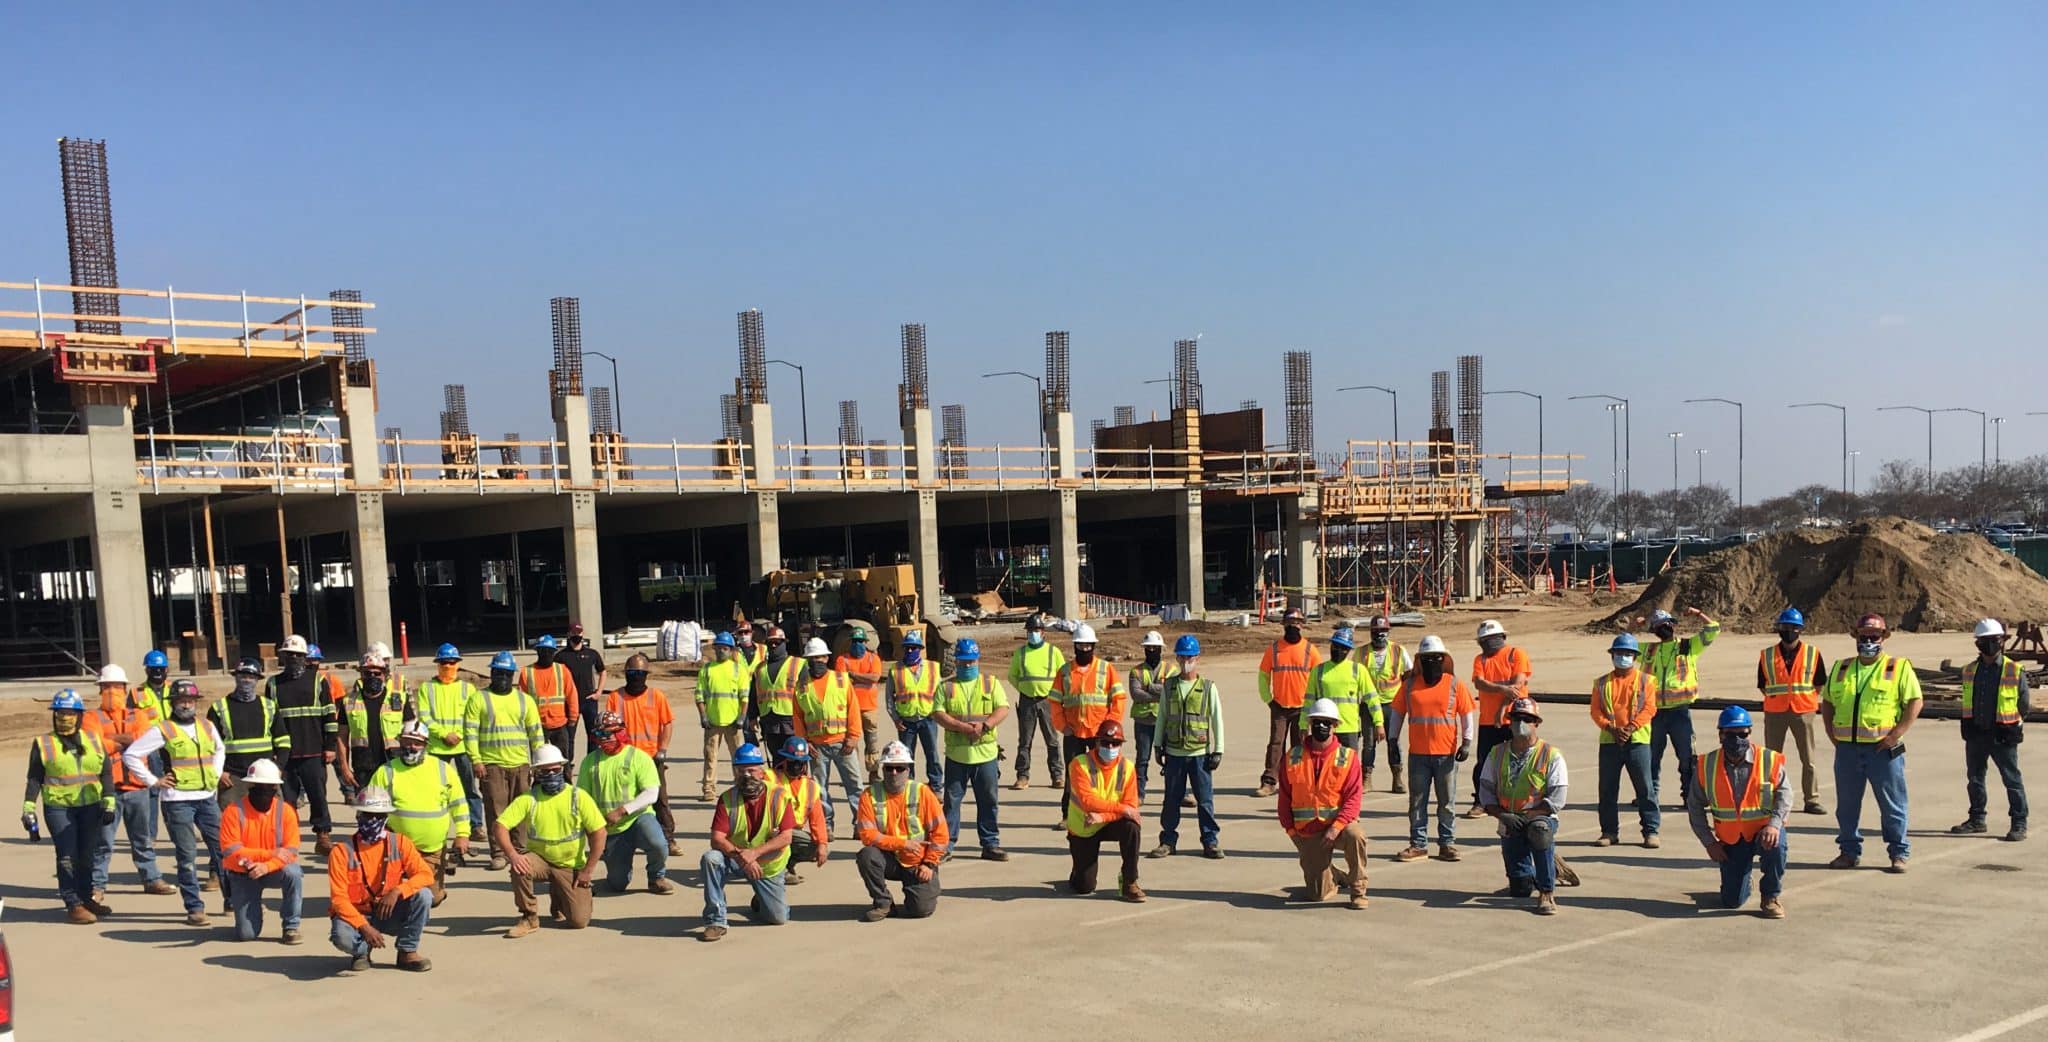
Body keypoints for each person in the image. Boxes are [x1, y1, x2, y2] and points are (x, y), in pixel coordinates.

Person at [1823, 613, 1922, 873]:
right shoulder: (1841, 668)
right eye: (1863, 636)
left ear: (1883, 638)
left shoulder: (1898, 668)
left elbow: (1915, 701)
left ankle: (1898, 853)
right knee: (1846, 806)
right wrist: (1833, 735)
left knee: (1892, 804)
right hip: (1847, 750)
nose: (1868, 640)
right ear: (1855, 637)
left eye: (1874, 636)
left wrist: (1895, 735)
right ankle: (1848, 851)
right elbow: (1828, 703)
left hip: (1882, 750)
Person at [125, 680, 225, 926]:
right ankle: (194, 907)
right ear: (173, 703)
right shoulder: (164, 729)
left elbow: (220, 749)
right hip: (178, 800)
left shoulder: (206, 725)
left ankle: (233, 899)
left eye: (190, 701)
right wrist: (153, 781)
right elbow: (131, 754)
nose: (186, 705)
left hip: (206, 798)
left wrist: (214, 775)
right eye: (181, 701)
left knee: (224, 850)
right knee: (187, 855)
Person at [494, 744, 606, 937]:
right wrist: (513, 855)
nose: (552, 774)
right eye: (546, 771)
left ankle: (560, 896)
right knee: (520, 868)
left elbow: (599, 833)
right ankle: (529, 917)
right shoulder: (529, 799)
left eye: (556, 770)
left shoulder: (578, 797)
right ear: (537, 773)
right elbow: (500, 826)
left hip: (570, 865)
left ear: (563, 769)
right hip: (541, 859)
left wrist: (588, 870)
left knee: (579, 921)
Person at [1687, 706, 1788, 918]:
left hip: (1763, 833)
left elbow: (1785, 795)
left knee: (1776, 845)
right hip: (1732, 840)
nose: (1738, 740)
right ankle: (1742, 881)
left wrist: (1774, 824)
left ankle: (1770, 896)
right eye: (1731, 735)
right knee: (1731, 901)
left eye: (1743, 734)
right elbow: (1695, 806)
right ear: (1721, 735)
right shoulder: (1707, 765)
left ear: (1750, 732)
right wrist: (1709, 843)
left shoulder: (1768, 759)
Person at [23, 689, 114, 923]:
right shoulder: (44, 743)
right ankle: (72, 902)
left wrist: (110, 800)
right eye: (60, 712)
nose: (65, 717)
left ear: (80, 715)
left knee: (87, 855)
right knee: (67, 855)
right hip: (59, 808)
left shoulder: (93, 739)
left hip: (91, 806)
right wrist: (28, 808)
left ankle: (85, 897)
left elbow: (105, 770)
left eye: (70, 713)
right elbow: (34, 777)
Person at [83, 665, 175, 897]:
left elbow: (144, 740)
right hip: (107, 790)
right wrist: (126, 741)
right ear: (100, 690)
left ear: (125, 689)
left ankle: (152, 879)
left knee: (142, 839)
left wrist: (112, 740)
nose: (112, 691)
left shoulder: (139, 715)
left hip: (137, 787)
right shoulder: (91, 717)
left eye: (116, 687)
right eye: (107, 687)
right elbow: (96, 746)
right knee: (103, 842)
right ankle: (97, 886)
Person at [1386, 636, 1476, 862]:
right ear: (1419, 661)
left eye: (1436, 658)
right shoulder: (1409, 686)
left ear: (1444, 659)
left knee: (1447, 802)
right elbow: (1398, 713)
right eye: (1427, 659)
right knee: (1417, 802)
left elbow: (1466, 714)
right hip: (1418, 754)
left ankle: (1447, 844)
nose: (1431, 662)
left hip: (1446, 755)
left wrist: (1466, 742)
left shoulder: (1454, 684)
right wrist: (1392, 740)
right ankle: (1418, 844)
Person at [327, 787, 434, 972]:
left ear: (386, 817)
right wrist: (364, 927)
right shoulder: (341, 851)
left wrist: (398, 891)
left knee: (423, 896)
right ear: (359, 815)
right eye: (368, 815)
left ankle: (407, 952)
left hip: (388, 910)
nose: (373, 821)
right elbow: (338, 899)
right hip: (357, 914)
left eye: (379, 816)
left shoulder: (400, 843)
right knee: (341, 936)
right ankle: (361, 952)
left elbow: (425, 875)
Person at [1479, 697, 1569, 915]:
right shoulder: (1497, 753)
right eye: (1517, 718)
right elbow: (1485, 792)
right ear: (1509, 721)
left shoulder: (1550, 755)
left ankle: (1547, 892)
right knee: (1520, 890)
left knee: (1539, 832)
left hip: (1539, 817)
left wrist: (1530, 816)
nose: (1521, 723)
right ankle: (1548, 867)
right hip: (1509, 820)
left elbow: (1557, 798)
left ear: (1536, 723)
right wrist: (1502, 815)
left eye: (1527, 719)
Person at [1278, 698, 1369, 910]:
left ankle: (1358, 891)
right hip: (1308, 832)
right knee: (1317, 895)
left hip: (1340, 827)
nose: (1321, 726)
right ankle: (1335, 875)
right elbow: (1284, 798)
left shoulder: (1347, 757)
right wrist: (1292, 833)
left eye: (1327, 722)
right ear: (1310, 723)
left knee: (1356, 836)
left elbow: (1353, 800)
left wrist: (1336, 828)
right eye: (1317, 721)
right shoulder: (1293, 757)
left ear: (1335, 726)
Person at [699, 743, 795, 942]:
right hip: (737, 858)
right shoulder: (727, 798)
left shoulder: (779, 796)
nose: (746, 775)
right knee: (711, 859)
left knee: (778, 918)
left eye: (751, 770)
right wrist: (744, 858)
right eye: (741, 770)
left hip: (767, 865)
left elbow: (786, 837)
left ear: (762, 772)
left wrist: (755, 854)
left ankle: (761, 899)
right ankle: (716, 920)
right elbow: (717, 839)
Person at [369, 721, 470, 906]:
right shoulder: (386, 771)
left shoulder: (443, 770)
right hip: (396, 850)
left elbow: (459, 805)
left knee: (432, 898)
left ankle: (436, 894)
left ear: (425, 745)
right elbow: (371, 811)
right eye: (407, 742)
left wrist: (463, 835)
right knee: (395, 896)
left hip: (432, 849)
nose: (411, 747)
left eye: (416, 743)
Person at [931, 638, 1011, 861]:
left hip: (985, 755)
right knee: (952, 803)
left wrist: (985, 725)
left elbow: (1003, 708)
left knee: (988, 801)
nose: (967, 666)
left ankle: (990, 844)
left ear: (978, 660)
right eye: (963, 662)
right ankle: (946, 845)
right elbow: (938, 713)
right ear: (955, 661)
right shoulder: (946, 686)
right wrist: (963, 728)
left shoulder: (990, 683)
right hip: (957, 756)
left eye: (971, 661)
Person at [578, 711, 674, 894]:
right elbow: (582, 797)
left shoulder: (639, 758)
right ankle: (616, 875)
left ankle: (656, 877)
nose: (604, 739)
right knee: (617, 884)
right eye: (599, 735)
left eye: (608, 734)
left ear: (620, 733)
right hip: (610, 828)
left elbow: (651, 793)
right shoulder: (590, 762)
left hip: (638, 819)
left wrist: (622, 810)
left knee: (658, 844)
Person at [1634, 607, 1721, 808]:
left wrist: (1698, 613)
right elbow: (1625, 645)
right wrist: (1633, 624)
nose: (1663, 628)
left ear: (1673, 625)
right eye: (1657, 626)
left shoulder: (1687, 647)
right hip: (1653, 712)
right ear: (1653, 630)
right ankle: (1649, 796)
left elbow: (1713, 628)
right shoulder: (1649, 650)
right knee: (1651, 757)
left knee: (1686, 757)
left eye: (1665, 624)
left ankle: (1690, 796)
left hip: (1679, 712)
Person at [1952, 619, 2029, 842]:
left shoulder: (2014, 670)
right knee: (1975, 778)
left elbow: (2023, 704)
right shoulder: (1969, 671)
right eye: (1984, 641)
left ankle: (2019, 822)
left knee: (2012, 780)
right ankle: (1977, 819)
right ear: (1978, 644)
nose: (1989, 645)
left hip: (2003, 734)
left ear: (2002, 642)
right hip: (1976, 733)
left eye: (1994, 641)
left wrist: (2012, 724)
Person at [1149, 635, 1225, 860]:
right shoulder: (1169, 686)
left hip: (1200, 754)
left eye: (1189, 657)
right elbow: (1162, 716)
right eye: (1181, 657)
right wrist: (1157, 745)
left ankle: (1210, 841)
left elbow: (1216, 719)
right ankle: (1167, 841)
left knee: (1205, 800)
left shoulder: (1208, 688)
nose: (1185, 661)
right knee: (1171, 800)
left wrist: (1218, 749)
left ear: (1197, 658)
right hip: (1174, 753)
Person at [468, 651, 544, 872]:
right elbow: (470, 733)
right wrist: (476, 761)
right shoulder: (479, 698)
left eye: (506, 674)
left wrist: (538, 763)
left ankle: (520, 850)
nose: (501, 677)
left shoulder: (524, 700)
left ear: (512, 675)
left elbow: (535, 734)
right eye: (497, 673)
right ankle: (499, 853)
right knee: (495, 810)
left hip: (520, 765)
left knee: (521, 811)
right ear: (491, 673)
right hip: (492, 765)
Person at [855, 741, 948, 921]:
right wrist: (902, 843)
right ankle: (883, 903)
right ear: (883, 769)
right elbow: (867, 836)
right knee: (867, 855)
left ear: (908, 770)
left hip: (918, 861)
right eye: (889, 768)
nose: (894, 773)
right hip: (888, 858)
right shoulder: (869, 795)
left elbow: (941, 833)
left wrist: (929, 864)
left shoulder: (923, 792)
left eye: (899, 768)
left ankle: (923, 890)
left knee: (920, 910)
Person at [267, 634, 339, 856]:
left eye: (298, 656)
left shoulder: (318, 681)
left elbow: (329, 715)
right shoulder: (273, 684)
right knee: (287, 800)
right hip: (286, 754)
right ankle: (289, 839)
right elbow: (269, 719)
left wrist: (330, 747)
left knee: (318, 795)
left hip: (314, 750)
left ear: (305, 658)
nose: (294, 659)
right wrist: (273, 753)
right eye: (289, 656)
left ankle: (322, 835)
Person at [604, 652, 682, 856]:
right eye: (632, 673)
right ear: (625, 674)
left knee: (660, 800)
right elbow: (609, 727)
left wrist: (662, 749)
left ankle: (668, 839)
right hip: (624, 759)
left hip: (651, 758)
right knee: (620, 799)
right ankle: (614, 840)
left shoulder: (656, 696)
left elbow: (667, 723)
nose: (636, 677)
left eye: (640, 673)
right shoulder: (615, 697)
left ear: (646, 674)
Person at [219, 758, 303, 943]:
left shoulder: (285, 811)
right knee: (247, 935)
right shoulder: (234, 811)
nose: (264, 792)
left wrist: (267, 866)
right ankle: (248, 904)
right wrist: (269, 855)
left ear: (275, 788)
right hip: (243, 872)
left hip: (273, 870)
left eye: (269, 787)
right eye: (260, 787)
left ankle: (291, 926)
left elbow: (291, 851)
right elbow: (230, 851)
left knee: (294, 873)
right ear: (250, 786)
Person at [1051, 623, 1127, 823]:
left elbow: (1119, 697)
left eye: (1088, 646)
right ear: (1075, 646)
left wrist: (1111, 725)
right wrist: (1062, 726)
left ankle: (1102, 812)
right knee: (1072, 774)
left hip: (1099, 733)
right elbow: (1055, 701)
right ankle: (1068, 815)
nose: (1084, 649)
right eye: (1080, 645)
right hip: (1074, 732)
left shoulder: (1105, 668)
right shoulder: (1065, 671)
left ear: (1093, 646)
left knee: (1101, 773)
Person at [1592, 633, 1661, 848]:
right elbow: (1595, 711)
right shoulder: (1602, 683)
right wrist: (1611, 728)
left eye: (1628, 654)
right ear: (1612, 656)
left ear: (1635, 657)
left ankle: (1651, 831)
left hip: (1638, 741)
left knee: (1645, 789)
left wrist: (1630, 728)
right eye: (1619, 653)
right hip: (1609, 741)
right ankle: (1609, 832)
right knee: (1607, 790)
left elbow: (1650, 708)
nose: (1623, 657)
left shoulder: (1646, 680)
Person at [1757, 608, 1828, 816]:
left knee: (1808, 758)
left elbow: (1819, 683)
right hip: (1775, 712)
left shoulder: (1812, 654)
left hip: (1803, 711)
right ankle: (1769, 799)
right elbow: (1762, 684)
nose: (1789, 631)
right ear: (1779, 629)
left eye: (1793, 628)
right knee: (1771, 759)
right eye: (1785, 627)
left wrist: (1804, 700)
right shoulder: (1767, 655)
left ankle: (1812, 799)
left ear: (1800, 630)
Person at [1064, 721, 1145, 902]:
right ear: (1097, 742)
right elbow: (1087, 802)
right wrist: (1121, 809)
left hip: (1105, 820)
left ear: (1121, 745)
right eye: (1105, 743)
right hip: (1084, 828)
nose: (1110, 747)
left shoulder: (1127, 768)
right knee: (1084, 887)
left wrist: (1103, 816)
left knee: (1132, 826)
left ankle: (1129, 882)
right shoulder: (1079, 764)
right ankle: (1078, 872)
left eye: (1115, 744)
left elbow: (1131, 807)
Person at [416, 644, 485, 844]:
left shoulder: (468, 688)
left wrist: (460, 736)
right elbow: (425, 718)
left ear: (458, 664)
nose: (448, 666)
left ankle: (476, 825)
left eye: (452, 662)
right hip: (437, 747)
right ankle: (439, 825)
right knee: (437, 789)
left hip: (463, 747)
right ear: (438, 664)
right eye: (444, 662)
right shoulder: (426, 689)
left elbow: (473, 717)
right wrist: (445, 734)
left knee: (469, 788)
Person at [1466, 619, 1532, 817]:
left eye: (1490, 640)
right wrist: (1502, 690)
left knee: (1519, 761)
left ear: (1502, 638)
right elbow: (1479, 683)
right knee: (1484, 763)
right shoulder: (1481, 659)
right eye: (1483, 641)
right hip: (1488, 720)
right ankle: (1481, 801)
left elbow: (1517, 683)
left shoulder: (1516, 654)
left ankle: (1517, 801)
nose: (1486, 645)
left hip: (1515, 719)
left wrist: (1502, 708)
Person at [1256, 607, 1321, 798]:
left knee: (1299, 746)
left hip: (1302, 708)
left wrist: (1313, 706)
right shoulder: (1274, 649)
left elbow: (1318, 679)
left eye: (1297, 624)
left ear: (1302, 625)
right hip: (1280, 707)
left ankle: (1296, 782)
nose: (1293, 627)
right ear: (1283, 625)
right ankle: (1269, 781)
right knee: (1276, 743)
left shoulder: (1310, 650)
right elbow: (1263, 677)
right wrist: (1269, 700)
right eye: (1290, 624)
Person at [794, 637, 865, 807]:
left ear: (826, 658)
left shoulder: (841, 680)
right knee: (819, 789)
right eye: (812, 658)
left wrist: (854, 736)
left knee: (855, 786)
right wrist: (804, 742)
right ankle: (826, 825)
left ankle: (861, 823)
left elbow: (853, 709)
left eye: (819, 657)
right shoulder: (801, 686)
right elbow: (797, 717)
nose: (816, 661)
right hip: (817, 747)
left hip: (843, 743)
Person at [210, 657, 286, 811]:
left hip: (265, 776)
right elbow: (209, 745)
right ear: (235, 677)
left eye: (251, 677)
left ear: (257, 679)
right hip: (232, 778)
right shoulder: (219, 708)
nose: (246, 681)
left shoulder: (269, 706)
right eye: (242, 676)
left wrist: (278, 767)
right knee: (231, 820)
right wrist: (219, 772)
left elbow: (283, 741)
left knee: (271, 819)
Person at [338, 647, 407, 803]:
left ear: (385, 675)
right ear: (361, 675)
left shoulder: (399, 699)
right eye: (367, 673)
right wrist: (344, 767)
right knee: (366, 810)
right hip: (363, 765)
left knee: (396, 808)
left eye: (377, 673)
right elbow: (342, 737)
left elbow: (411, 730)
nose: (372, 677)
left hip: (394, 762)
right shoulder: (348, 701)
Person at [1009, 616, 1067, 790]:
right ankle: (1022, 776)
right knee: (1025, 741)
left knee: (1052, 740)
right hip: (1027, 700)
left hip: (1048, 701)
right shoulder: (1020, 653)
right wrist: (1024, 688)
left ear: (1043, 633)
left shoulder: (1053, 652)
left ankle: (1057, 776)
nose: (1033, 634)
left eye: (1036, 631)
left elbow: (1063, 675)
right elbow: (1012, 675)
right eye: (1030, 631)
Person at [1304, 626, 1383, 753]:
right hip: (1324, 728)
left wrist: (1379, 723)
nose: (1338, 650)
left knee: (1348, 767)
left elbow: (1372, 699)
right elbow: (1309, 701)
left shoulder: (1358, 670)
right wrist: (1303, 725)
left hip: (1349, 729)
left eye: (1343, 648)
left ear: (1348, 650)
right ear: (1331, 646)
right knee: (1324, 766)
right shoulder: (1318, 671)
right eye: (1336, 646)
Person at [887, 629, 944, 790]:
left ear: (920, 649)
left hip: (928, 718)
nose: (910, 650)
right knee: (906, 756)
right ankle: (908, 785)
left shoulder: (933, 668)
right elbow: (889, 698)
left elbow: (940, 693)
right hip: (906, 721)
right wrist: (895, 718)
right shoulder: (896, 669)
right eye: (908, 648)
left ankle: (936, 785)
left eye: (914, 647)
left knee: (932, 754)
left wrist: (938, 714)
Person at [1361, 615, 1413, 793]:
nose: (1379, 635)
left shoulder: (1399, 651)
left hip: (1392, 704)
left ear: (1388, 632)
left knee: (1393, 741)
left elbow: (1408, 675)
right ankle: (1366, 778)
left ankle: (1397, 777)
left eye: (1383, 631)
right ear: (1371, 633)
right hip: (1368, 705)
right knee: (1369, 743)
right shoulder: (1361, 653)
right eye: (1376, 632)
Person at [697, 633, 751, 801]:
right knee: (710, 757)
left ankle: (741, 786)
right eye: (718, 648)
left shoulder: (738, 670)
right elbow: (699, 695)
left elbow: (744, 697)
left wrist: (742, 717)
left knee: (739, 758)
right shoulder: (706, 670)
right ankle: (709, 789)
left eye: (725, 648)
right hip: (713, 722)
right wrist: (703, 716)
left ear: (731, 650)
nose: (721, 651)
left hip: (733, 722)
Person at [774, 736, 831, 884]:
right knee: (778, 837)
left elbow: (817, 818)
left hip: (793, 832)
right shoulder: (770, 779)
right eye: (792, 761)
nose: (796, 766)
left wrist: (822, 844)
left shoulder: (810, 786)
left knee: (814, 847)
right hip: (772, 831)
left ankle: (787, 863)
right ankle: (778, 869)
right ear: (785, 760)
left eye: (800, 762)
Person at [833, 624, 887, 777]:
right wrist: (864, 678)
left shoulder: (873, 658)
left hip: (869, 708)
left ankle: (873, 772)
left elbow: (875, 678)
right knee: (851, 743)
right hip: (849, 708)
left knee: (872, 743)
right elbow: (841, 682)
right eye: (855, 641)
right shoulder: (842, 659)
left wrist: (853, 675)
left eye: (860, 641)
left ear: (865, 642)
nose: (857, 644)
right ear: (850, 642)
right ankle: (854, 774)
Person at [1127, 630, 1174, 799]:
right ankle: (1138, 793)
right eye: (1149, 648)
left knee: (1172, 758)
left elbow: (1171, 691)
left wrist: (1148, 687)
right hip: (1143, 721)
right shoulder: (1136, 671)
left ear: (1161, 649)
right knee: (1142, 758)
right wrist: (1159, 692)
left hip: (1166, 720)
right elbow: (1136, 694)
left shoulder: (1171, 669)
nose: (1152, 651)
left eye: (1155, 648)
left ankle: (1177, 792)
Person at [520, 635, 580, 762]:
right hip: (536, 725)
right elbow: (522, 701)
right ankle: (539, 782)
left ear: (554, 652)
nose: (546, 654)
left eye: (549, 651)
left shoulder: (562, 670)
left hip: (559, 723)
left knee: (563, 761)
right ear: (537, 651)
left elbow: (571, 694)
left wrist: (573, 717)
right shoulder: (526, 672)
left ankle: (565, 781)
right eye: (542, 651)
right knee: (539, 761)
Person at [558, 622, 608, 753]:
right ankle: (568, 763)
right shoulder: (561, 656)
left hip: (589, 700)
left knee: (593, 735)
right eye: (574, 633)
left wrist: (599, 692)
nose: (577, 635)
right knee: (569, 736)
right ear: (569, 634)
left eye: (579, 633)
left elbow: (603, 671)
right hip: (569, 701)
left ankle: (591, 761)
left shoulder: (592, 654)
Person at [753, 625, 804, 752]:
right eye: (770, 643)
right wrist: (753, 716)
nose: (774, 646)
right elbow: (754, 694)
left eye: (777, 642)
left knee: (795, 761)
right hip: (769, 721)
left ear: (784, 643)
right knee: (777, 762)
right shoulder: (759, 669)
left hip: (792, 719)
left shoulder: (799, 664)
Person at [133, 648, 173, 719]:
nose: (158, 671)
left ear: (167, 670)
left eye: (161, 669)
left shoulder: (174, 688)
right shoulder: (137, 692)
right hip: (149, 729)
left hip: (172, 729)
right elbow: (131, 719)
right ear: (146, 670)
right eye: (154, 669)